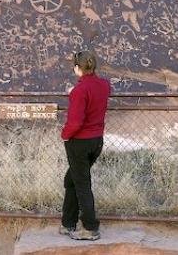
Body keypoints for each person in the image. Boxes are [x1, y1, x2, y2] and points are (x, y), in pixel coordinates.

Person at [59, 50, 111, 241]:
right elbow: (98, 96)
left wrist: (64, 135)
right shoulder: (104, 85)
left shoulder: (79, 91)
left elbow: (75, 122)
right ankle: (67, 223)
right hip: (97, 141)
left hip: (79, 142)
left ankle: (90, 228)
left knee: (81, 183)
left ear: (77, 68)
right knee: (72, 179)